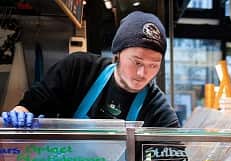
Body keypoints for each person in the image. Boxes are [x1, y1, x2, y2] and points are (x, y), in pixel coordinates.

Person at [3, 10, 178, 128]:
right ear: (117, 53)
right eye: (137, 62)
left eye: (153, 65)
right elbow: (32, 104)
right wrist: (20, 115)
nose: (143, 74)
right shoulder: (79, 69)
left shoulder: (156, 107)